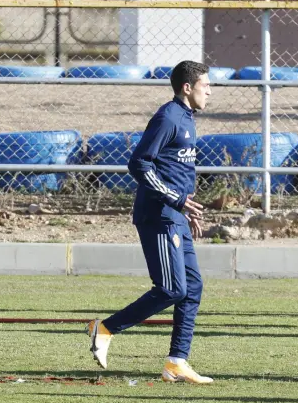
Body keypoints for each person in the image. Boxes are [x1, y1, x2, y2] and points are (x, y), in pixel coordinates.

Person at [87, 60, 212, 383]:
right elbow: (140, 164)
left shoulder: (187, 118)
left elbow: (175, 169)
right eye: (205, 85)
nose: (210, 91)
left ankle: (176, 362)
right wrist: (176, 200)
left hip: (176, 215)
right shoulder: (168, 117)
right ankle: (105, 328)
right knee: (171, 289)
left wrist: (186, 208)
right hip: (158, 215)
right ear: (187, 87)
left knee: (192, 287)